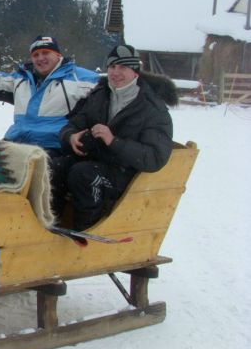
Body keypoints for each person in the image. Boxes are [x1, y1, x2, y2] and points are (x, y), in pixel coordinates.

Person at [53, 43, 178, 230]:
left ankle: (86, 233)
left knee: (84, 175)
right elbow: (73, 124)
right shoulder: (99, 95)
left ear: (135, 72)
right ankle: (50, 228)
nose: (115, 72)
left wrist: (113, 141)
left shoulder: (152, 109)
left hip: (127, 173)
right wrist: (70, 136)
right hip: (96, 162)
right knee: (52, 166)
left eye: (123, 67)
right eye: (112, 67)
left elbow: (154, 157)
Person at [0, 35, 100, 153]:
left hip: (54, 144)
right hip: (16, 141)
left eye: (45, 53)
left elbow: (108, 92)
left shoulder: (80, 78)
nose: (40, 58)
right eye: (36, 55)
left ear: (58, 55)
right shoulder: (21, 79)